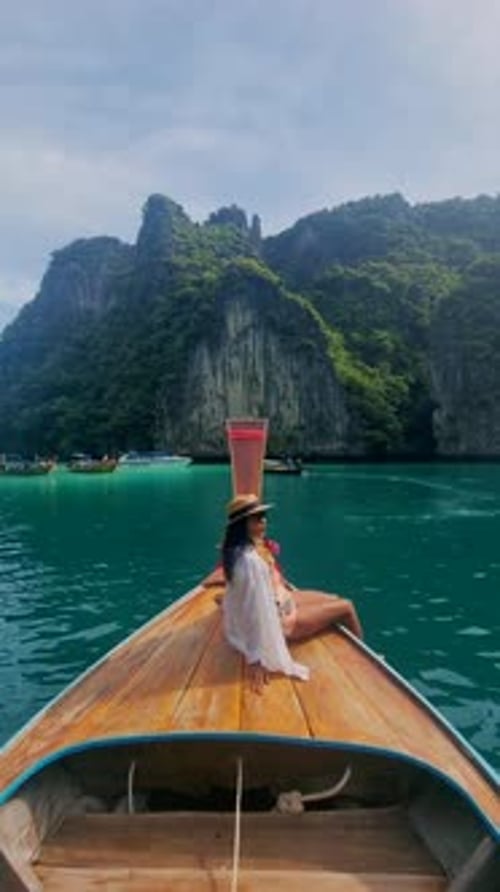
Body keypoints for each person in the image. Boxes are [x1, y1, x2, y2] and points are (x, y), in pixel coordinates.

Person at [221, 493, 363, 693]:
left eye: (264, 516)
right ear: (242, 524)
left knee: (334, 599)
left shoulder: (236, 552)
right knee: (346, 606)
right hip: (280, 621)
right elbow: (252, 610)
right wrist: (255, 659)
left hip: (281, 603)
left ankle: (356, 651)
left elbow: (238, 596)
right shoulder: (249, 562)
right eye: (257, 517)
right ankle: (365, 662)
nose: (264, 521)